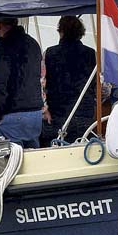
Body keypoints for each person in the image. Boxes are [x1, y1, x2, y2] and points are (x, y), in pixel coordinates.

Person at [41, 16, 97, 146]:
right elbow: (102, 87)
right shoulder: (92, 54)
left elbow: (41, 84)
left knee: (53, 157)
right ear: (81, 33)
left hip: (55, 115)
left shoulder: (49, 53)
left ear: (60, 31)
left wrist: (45, 109)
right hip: (84, 116)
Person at [0, 18, 44, 148]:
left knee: (8, 164)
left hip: (12, 114)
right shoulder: (33, 44)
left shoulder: (3, 47)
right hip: (35, 114)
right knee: (32, 161)